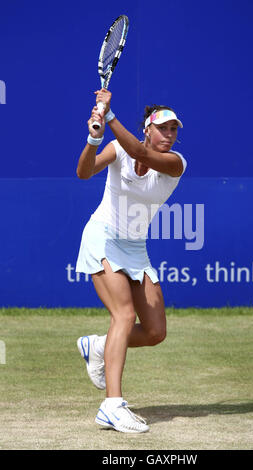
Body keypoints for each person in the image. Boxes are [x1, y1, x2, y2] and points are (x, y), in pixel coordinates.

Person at [75, 88, 187, 433]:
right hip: (103, 236)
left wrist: (108, 116)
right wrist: (94, 139)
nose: (169, 135)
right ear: (148, 129)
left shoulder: (175, 164)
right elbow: (84, 172)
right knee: (123, 314)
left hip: (136, 248)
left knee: (155, 331)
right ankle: (112, 405)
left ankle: (98, 346)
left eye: (174, 130)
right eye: (163, 129)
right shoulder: (119, 148)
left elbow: (140, 152)